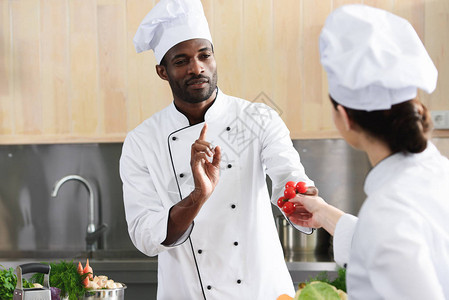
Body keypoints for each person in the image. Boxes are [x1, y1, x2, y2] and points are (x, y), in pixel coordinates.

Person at [119, 0, 316, 298]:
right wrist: (198, 197)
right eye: (181, 61)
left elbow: (287, 173)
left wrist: (300, 196)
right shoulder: (142, 141)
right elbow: (145, 236)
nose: (196, 68)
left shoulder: (257, 118)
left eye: (204, 55)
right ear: (163, 71)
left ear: (213, 58)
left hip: (261, 291)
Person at [287, 4, 449, 299]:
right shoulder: (439, 173)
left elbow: (388, 237)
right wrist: (324, 214)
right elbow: (392, 245)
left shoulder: (387, 212)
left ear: (344, 118)